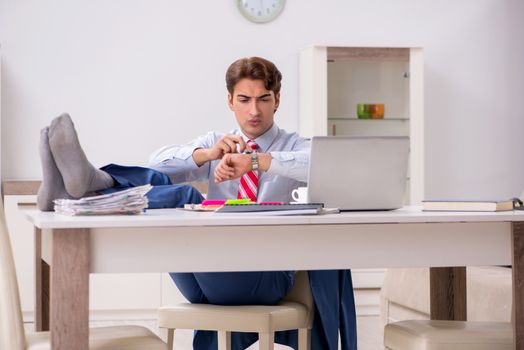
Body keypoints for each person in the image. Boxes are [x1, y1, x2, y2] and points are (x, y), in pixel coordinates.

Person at [37, 57, 357, 350]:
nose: (254, 111)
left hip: (263, 275)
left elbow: (321, 163)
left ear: (277, 100)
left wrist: (258, 162)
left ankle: (92, 187)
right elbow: (155, 164)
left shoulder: (293, 145)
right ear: (230, 101)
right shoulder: (217, 141)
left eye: (263, 99)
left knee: (189, 199)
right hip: (206, 274)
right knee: (171, 189)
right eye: (244, 100)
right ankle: (85, 188)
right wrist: (207, 155)